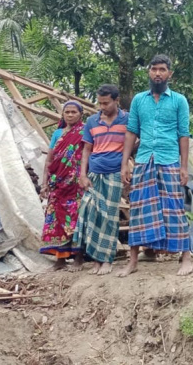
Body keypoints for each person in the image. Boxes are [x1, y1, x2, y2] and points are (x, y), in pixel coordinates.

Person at [119, 54, 193, 277]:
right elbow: (132, 132)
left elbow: (183, 134)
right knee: (139, 209)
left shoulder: (179, 100)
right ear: (149, 72)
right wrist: (125, 163)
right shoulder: (139, 100)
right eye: (154, 69)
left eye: (162, 69)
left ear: (170, 74)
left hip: (169, 159)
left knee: (175, 207)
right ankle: (133, 261)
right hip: (143, 160)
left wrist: (183, 167)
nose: (158, 73)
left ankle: (186, 258)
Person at [73, 84, 127, 276]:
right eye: (100, 103)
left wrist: (126, 164)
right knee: (90, 213)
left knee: (109, 216)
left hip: (114, 173)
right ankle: (96, 259)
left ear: (116, 101)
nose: (102, 106)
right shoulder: (92, 121)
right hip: (95, 173)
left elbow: (135, 142)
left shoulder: (127, 119)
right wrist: (82, 174)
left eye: (106, 103)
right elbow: (86, 150)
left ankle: (107, 260)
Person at [40, 100, 86, 271]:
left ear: (81, 114)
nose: (70, 115)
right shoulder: (57, 134)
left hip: (76, 184)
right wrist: (44, 183)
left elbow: (88, 155)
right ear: (63, 114)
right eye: (67, 112)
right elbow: (49, 159)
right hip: (58, 184)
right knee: (57, 220)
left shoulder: (84, 131)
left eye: (74, 112)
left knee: (77, 219)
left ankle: (78, 258)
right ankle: (60, 259)